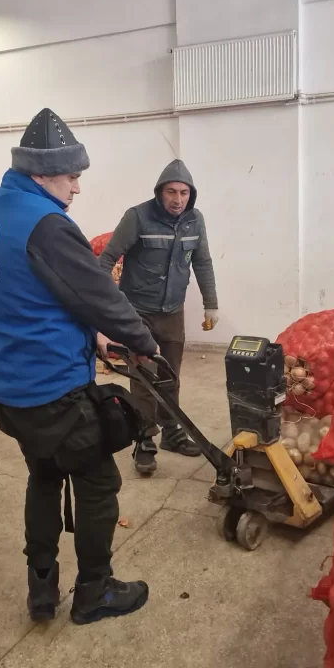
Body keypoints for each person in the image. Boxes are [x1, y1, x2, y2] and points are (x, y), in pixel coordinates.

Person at [0, 108, 159, 626]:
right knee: (98, 484)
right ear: (42, 172)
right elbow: (96, 293)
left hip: (8, 390)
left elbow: (34, 294)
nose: (77, 187)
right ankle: (94, 592)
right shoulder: (49, 224)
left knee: (45, 475)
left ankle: (42, 588)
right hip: (53, 390)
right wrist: (140, 340)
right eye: (72, 176)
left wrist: (89, 335)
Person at [98, 159, 219, 474]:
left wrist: (211, 303)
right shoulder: (137, 217)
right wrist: (97, 302)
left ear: (191, 195)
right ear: (160, 192)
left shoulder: (195, 221)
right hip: (138, 312)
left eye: (183, 193)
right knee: (144, 378)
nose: (177, 199)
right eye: (171, 192)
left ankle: (172, 432)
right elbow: (107, 257)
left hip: (172, 311)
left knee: (170, 376)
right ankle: (144, 439)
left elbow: (202, 262)